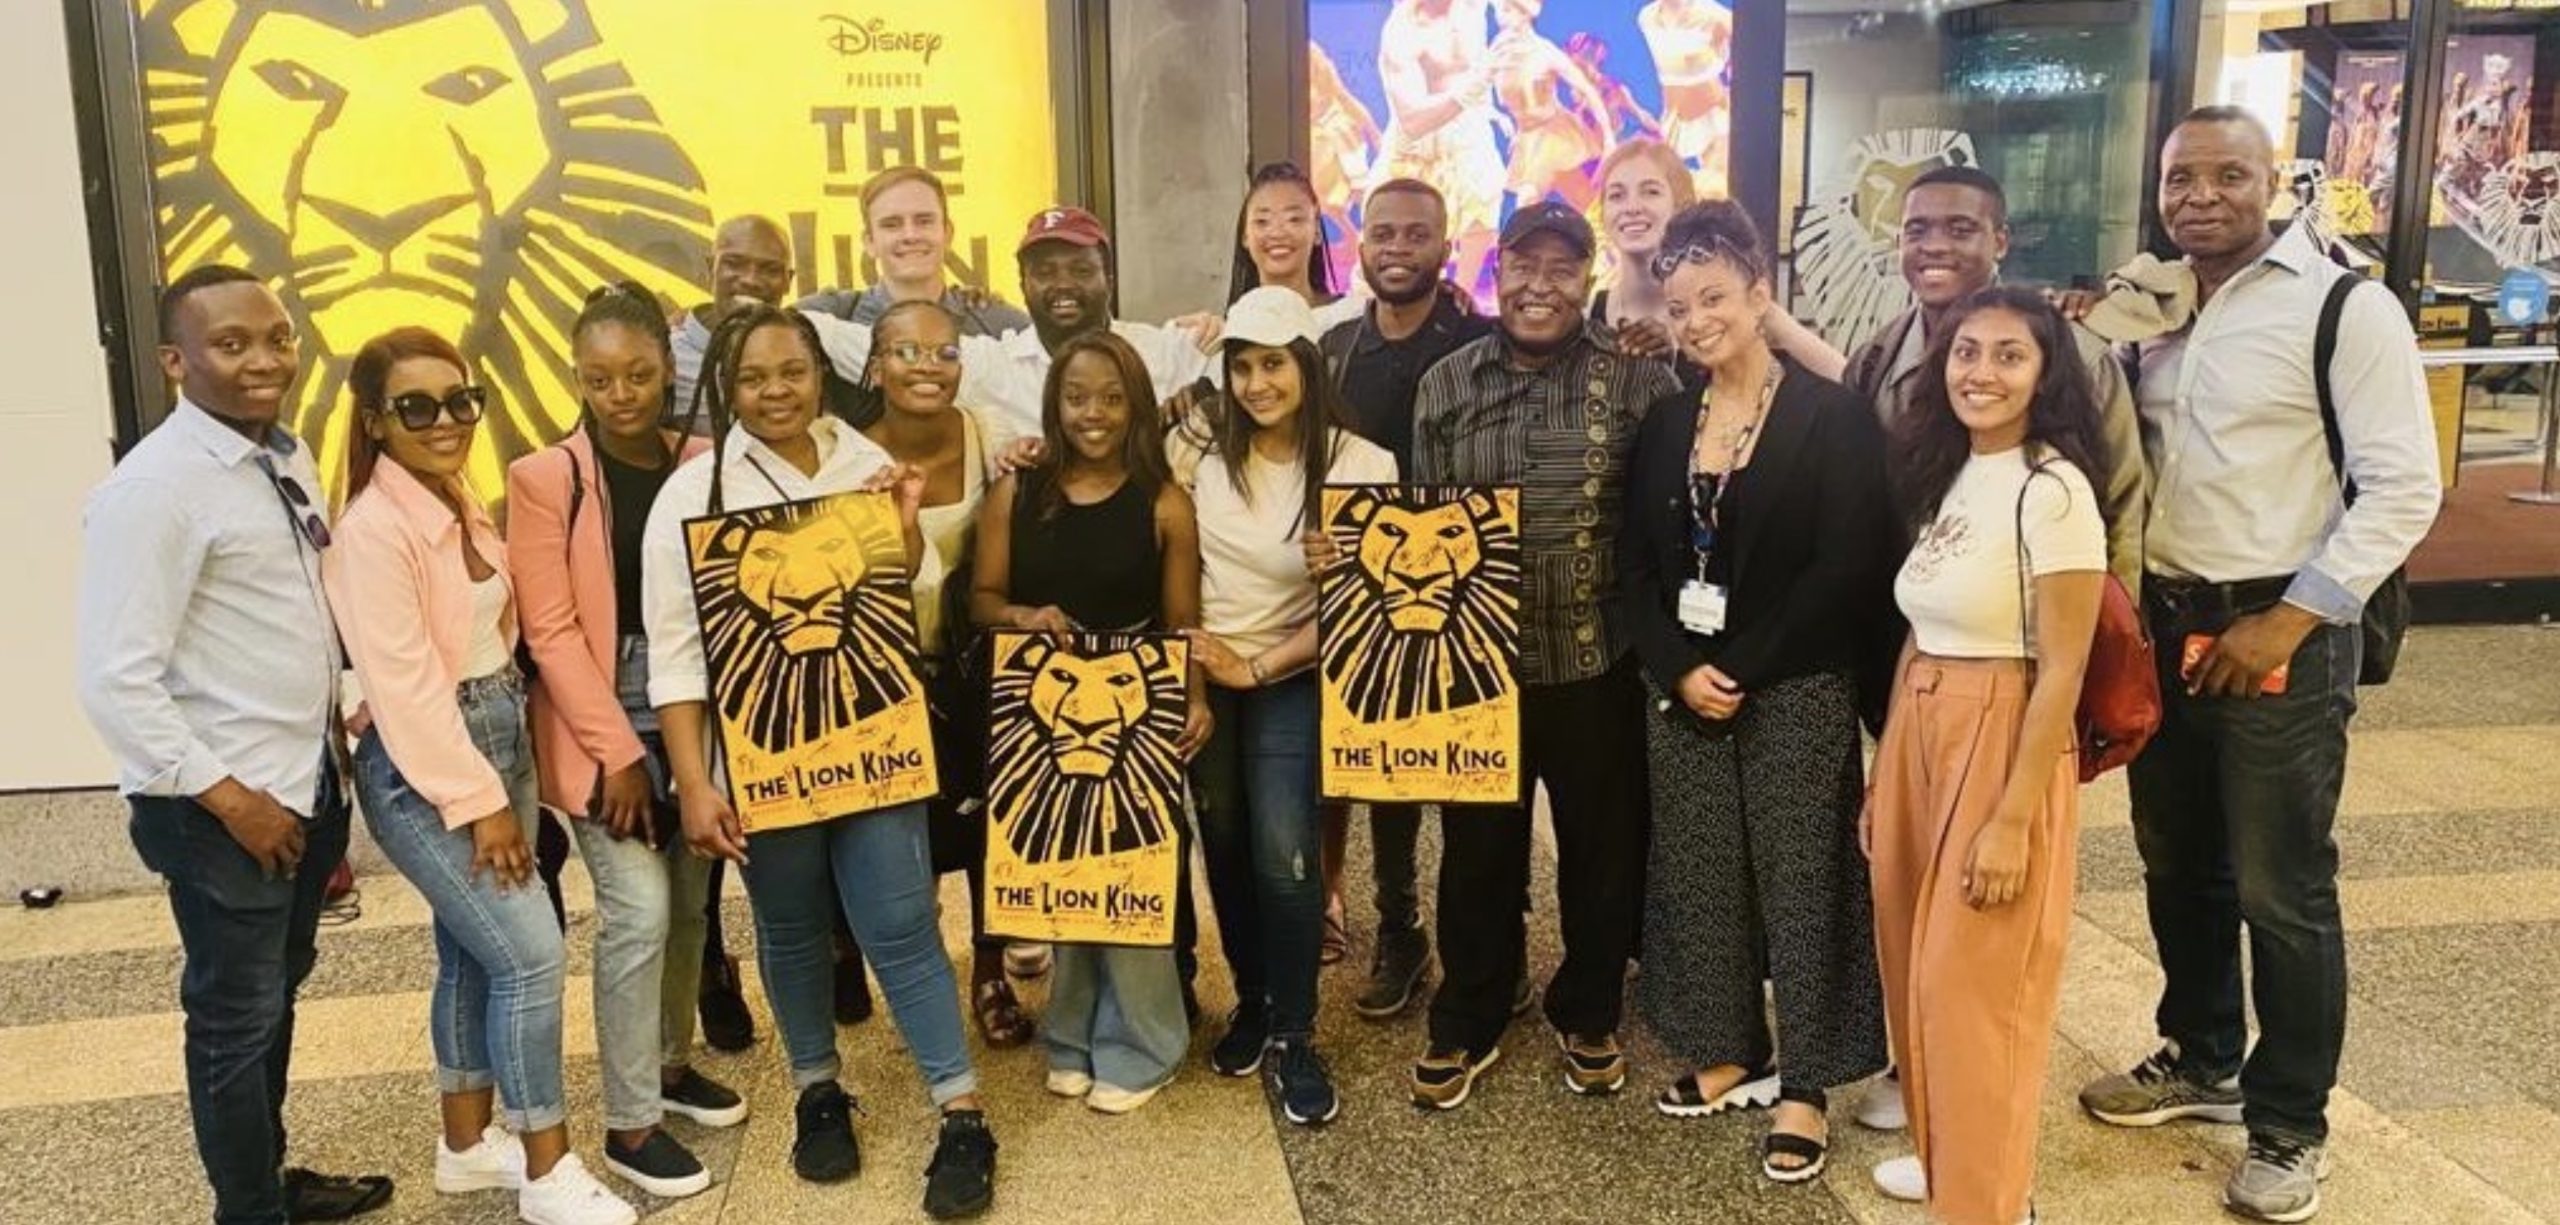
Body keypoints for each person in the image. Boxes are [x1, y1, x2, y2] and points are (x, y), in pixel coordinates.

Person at [2074, 108, 2440, 1225]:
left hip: (2278, 629)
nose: (2200, 196)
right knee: (2176, 858)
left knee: (2285, 886)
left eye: (2228, 175)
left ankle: (2288, 1124)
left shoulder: (2343, 305)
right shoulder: (2149, 306)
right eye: (2180, 177)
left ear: (2273, 185)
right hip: (2166, 624)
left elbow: (2404, 487)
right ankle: (2202, 1056)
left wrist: (2289, 619)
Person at [642, 305, 998, 1219]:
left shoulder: (860, 462)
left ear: (821, 371)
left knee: (900, 920)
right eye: (754, 377)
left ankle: (961, 1109)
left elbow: (902, 588)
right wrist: (693, 780)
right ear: (727, 385)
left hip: (873, 739)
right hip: (763, 754)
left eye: (792, 371)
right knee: (792, 924)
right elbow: (678, 659)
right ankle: (816, 1089)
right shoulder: (694, 493)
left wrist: (907, 522)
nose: (775, 391)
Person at [77, 265, 395, 1225]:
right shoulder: (156, 490)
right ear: (176, 361)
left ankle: (264, 1180)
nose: (264, 359)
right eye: (231, 343)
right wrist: (230, 796)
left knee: (273, 1003)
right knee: (233, 1020)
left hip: (298, 787)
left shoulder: (276, 456)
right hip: (224, 810)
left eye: (278, 338)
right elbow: (115, 677)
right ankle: (247, 1211)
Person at [323, 327, 635, 1225]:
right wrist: (483, 804)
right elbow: (409, 689)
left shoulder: (454, 497)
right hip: (430, 766)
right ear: (377, 421)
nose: (446, 419)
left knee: (473, 950)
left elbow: (494, 635)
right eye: (417, 406)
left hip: (497, 726)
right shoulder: (373, 530)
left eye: (462, 400)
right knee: (532, 952)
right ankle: (548, 1167)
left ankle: (465, 1148)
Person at [1617, 202, 1892, 1182]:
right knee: (1701, 872)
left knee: (1803, 878)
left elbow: (1846, 564)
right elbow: (1638, 567)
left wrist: (1745, 663)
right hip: (1685, 687)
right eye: (1678, 303)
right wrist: (1677, 666)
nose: (1695, 320)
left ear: (1760, 296)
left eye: (1715, 298)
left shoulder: (1831, 416)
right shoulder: (1661, 420)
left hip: (1797, 685)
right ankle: (1734, 1044)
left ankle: (1809, 1082)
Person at [1407, 202, 1680, 1109]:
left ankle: (1589, 1006)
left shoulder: (1637, 380)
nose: (1539, 285)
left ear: (1588, 278)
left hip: (1597, 661)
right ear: (1497, 273)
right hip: (1478, 665)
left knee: (1603, 851)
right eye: (1523, 266)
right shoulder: (1446, 384)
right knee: (1477, 850)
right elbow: (1418, 522)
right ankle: (1474, 1008)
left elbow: (1672, 518)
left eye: (1562, 269)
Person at [1865, 288, 2112, 1225]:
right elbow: (1921, 625)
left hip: (2001, 730)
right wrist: (1890, 768)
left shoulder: (2056, 491)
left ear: (2046, 374)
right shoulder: (1955, 471)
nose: (1981, 372)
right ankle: (1950, 1162)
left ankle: (1987, 1203)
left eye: (2009, 355)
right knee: (1915, 972)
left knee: (1973, 991)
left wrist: (2013, 817)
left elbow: (2065, 667)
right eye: (1967, 352)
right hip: (1923, 720)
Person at [505, 284, 747, 1202]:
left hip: (694, 710)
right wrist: (618, 755)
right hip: (598, 726)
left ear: (667, 368)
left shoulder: (704, 461)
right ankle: (629, 1119)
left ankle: (671, 1066)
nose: (621, 393)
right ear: (578, 376)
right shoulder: (545, 478)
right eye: (599, 377)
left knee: (692, 905)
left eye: (640, 373)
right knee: (639, 911)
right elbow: (554, 632)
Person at [972, 329, 1211, 1113]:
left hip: (1133, 717)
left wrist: (1198, 695)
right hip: (1040, 714)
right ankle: (1072, 1032)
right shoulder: (1017, 492)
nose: (1093, 413)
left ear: (1137, 405)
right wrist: (1021, 616)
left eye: (1112, 397)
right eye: (1077, 396)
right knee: (1066, 882)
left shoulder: (1165, 503)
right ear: (1055, 402)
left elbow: (1183, 623)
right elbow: (981, 601)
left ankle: (1147, 1042)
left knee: (1131, 881)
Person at [1186, 286, 1397, 1127]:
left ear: (1307, 364)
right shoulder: (1198, 454)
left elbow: (1382, 596)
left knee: (1284, 847)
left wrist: (1336, 574)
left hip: (1293, 671)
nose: (1256, 383)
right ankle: (1254, 999)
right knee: (1225, 839)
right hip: (1208, 667)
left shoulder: (1363, 464)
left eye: (1272, 363)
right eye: (1241, 366)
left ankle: (1296, 1031)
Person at [1314, 177, 1496, 1017]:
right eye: (1381, 233)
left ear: (1444, 244)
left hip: (1468, 587)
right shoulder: (1336, 349)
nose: (1395, 248)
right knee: (1379, 774)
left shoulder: (1480, 344)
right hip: (1364, 591)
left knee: (1464, 782)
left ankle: (1488, 935)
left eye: (1414, 234)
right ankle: (1400, 925)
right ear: (1359, 242)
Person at [849, 299, 1041, 1045]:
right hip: (891, 673)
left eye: (945, 352)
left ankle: (990, 970)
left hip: (981, 666)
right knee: (909, 830)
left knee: (993, 820)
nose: (928, 366)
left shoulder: (989, 432)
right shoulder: (850, 458)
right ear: (876, 365)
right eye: (907, 352)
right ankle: (920, 974)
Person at [1843, 166, 2146, 589]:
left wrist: (2106, 633)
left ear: (2000, 242)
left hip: (2028, 621)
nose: (1934, 246)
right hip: (1906, 617)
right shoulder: (1875, 360)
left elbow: (2121, 508)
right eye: (1917, 230)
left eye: (1960, 229)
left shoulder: (2074, 356)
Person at [808, 206, 1213, 446]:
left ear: (1110, 278)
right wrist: (764, 314)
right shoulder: (992, 364)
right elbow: (849, 341)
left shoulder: (1167, 350)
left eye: (1080, 269)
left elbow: (1260, 364)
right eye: (1045, 271)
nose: (1063, 284)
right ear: (1023, 284)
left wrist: (1209, 378)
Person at [800, 166, 1033, 338]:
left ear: (947, 232)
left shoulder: (999, 325)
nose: (910, 235)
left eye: (924, 221)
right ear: (869, 242)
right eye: (892, 224)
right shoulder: (833, 317)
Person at [1379, 0, 1508, 296]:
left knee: (1483, 212)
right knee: (1416, 233)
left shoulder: (1472, 7)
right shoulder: (1402, 30)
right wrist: (1471, 91)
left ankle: (1462, 300)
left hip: (1470, 131)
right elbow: (1412, 120)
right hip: (1422, 145)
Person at [1490, 0, 1614, 212]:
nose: (1501, 17)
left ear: (1524, 14)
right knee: (1578, 198)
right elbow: (1478, 89)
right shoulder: (1497, 51)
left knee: (1528, 199)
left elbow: (1587, 90)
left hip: (1554, 134)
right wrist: (1497, 116)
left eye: (1507, 10)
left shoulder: (1545, 52)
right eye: (1499, 10)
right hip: (1527, 139)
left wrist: (1609, 138)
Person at [672, 215, 794, 422]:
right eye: (735, 264)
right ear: (711, 268)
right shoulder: (669, 359)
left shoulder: (808, 355)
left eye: (770, 269)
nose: (750, 280)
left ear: (788, 281)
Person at [1227, 160, 1362, 337]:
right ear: (1245, 236)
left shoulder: (1350, 318)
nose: (1277, 232)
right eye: (1262, 221)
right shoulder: (1232, 328)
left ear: (1317, 232)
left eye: (1294, 219)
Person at [1638, 0, 1733, 190]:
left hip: (1713, 114)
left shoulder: (1714, 14)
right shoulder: (1647, 17)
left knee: (1717, 185)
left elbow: (1748, 59)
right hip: (1674, 116)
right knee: (1668, 188)